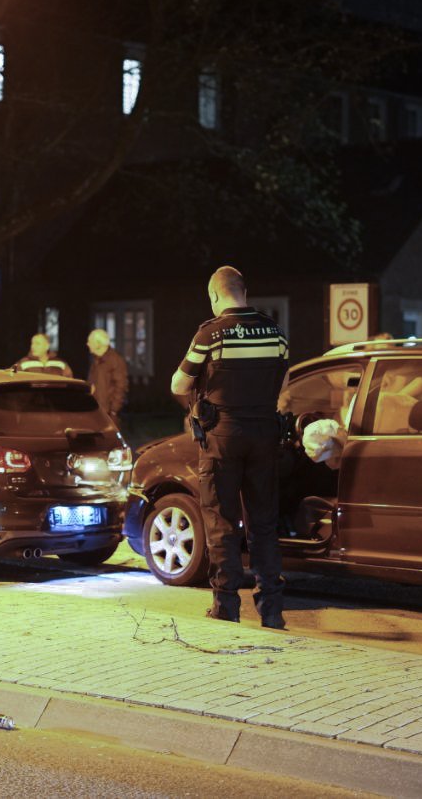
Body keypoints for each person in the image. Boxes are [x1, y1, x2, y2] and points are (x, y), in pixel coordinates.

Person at [171, 266, 290, 629]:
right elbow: (285, 388)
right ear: (245, 291)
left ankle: (226, 604)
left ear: (215, 295)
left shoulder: (210, 334)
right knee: (264, 523)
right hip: (265, 436)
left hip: (222, 437)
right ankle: (271, 610)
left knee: (221, 520)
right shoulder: (275, 332)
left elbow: (179, 383)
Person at [87, 328, 128, 423]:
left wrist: (114, 410)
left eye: (90, 341)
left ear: (98, 343)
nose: (87, 344)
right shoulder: (97, 361)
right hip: (97, 411)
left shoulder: (114, 360)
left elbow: (121, 386)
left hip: (108, 413)